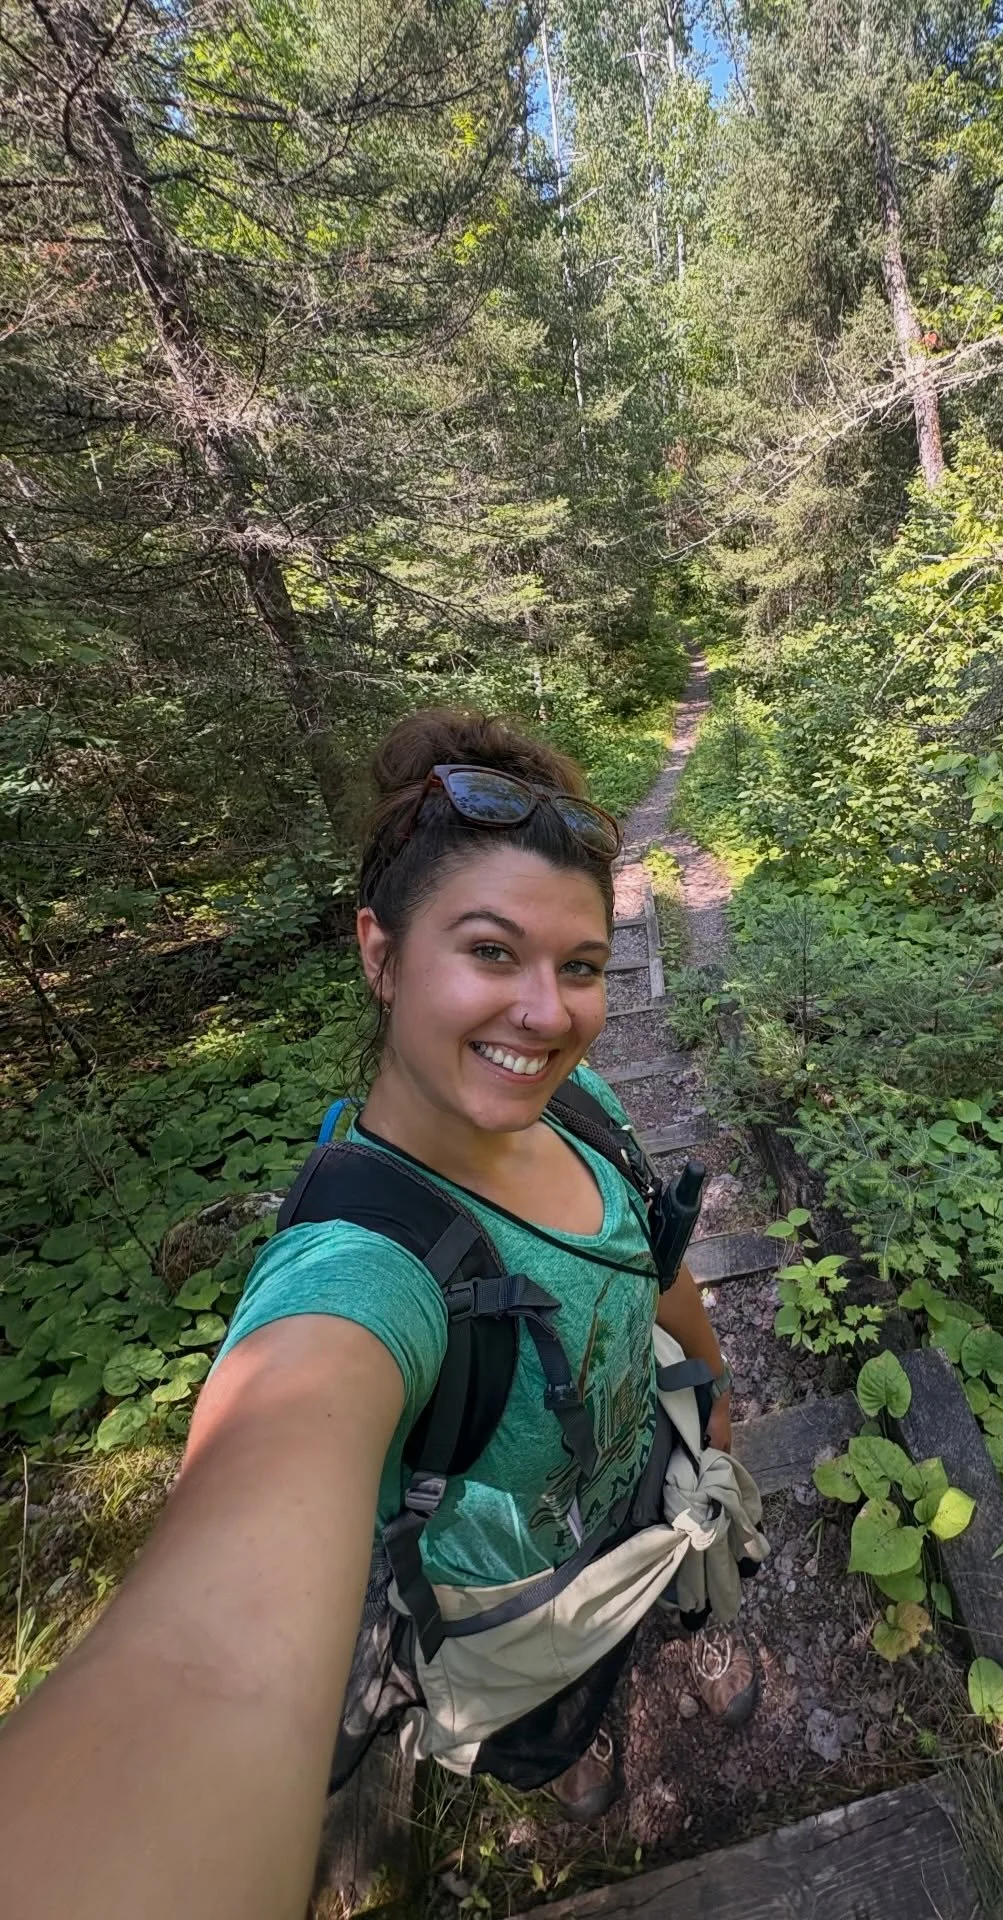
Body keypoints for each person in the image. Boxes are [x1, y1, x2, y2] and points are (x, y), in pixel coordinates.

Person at [0, 710, 756, 1920]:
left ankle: (677, 1638)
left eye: (579, 966)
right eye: (492, 952)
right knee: (555, 1718)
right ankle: (569, 1747)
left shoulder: (579, 1104)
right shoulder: (361, 1276)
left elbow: (652, 1258)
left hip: (644, 1486)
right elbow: (207, 1665)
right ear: (381, 952)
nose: (549, 1014)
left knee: (680, 1580)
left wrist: (712, 1404)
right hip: (512, 1600)